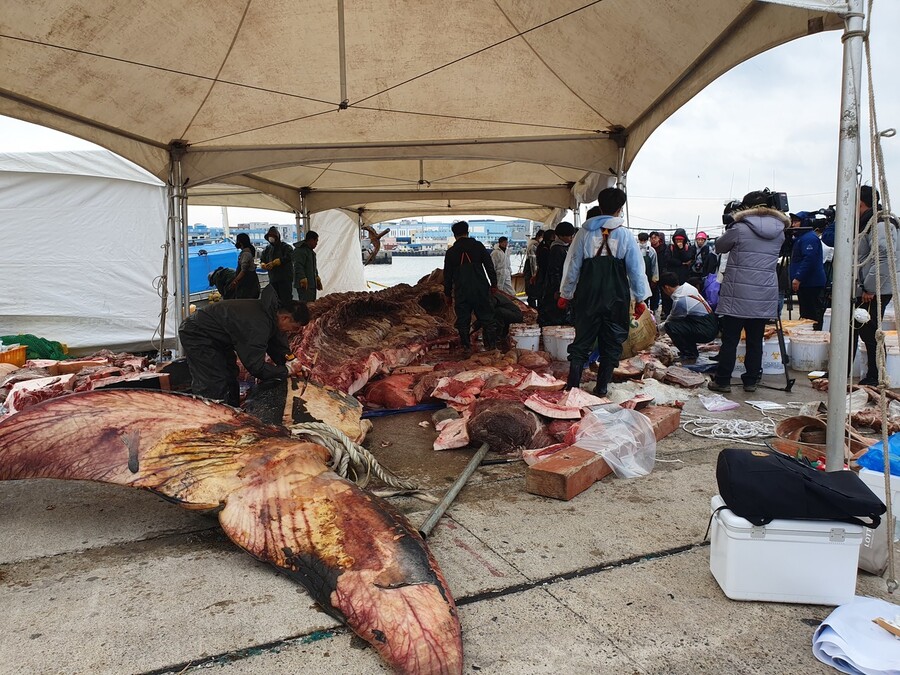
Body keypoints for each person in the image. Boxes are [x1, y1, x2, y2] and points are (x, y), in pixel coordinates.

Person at [558, 188, 650, 395]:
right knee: (612, 340)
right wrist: (640, 298)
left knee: (582, 339)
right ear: (620, 209)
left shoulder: (583, 233)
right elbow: (636, 270)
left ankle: (572, 387)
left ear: (600, 206)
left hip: (588, 295)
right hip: (616, 296)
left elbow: (572, 265)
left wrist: (566, 293)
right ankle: (601, 389)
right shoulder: (626, 235)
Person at [178, 285, 310, 407]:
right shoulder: (257, 324)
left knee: (230, 373)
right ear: (285, 318)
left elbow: (276, 343)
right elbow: (256, 367)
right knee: (214, 380)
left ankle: (233, 412)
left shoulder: (271, 315)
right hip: (197, 333)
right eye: (294, 328)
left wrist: (291, 360)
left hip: (217, 337)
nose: (291, 332)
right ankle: (211, 419)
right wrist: (286, 371)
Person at [708, 189, 786, 393]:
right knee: (755, 340)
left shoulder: (739, 228)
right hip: (763, 294)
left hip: (738, 294)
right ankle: (751, 381)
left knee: (730, 340)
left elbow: (719, 246)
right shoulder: (780, 231)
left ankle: (723, 380)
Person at [823, 186, 900, 385]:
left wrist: (870, 288)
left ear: (860, 203)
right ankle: (840, 373)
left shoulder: (881, 223)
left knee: (869, 333)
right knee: (848, 331)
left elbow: (883, 257)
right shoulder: (863, 223)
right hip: (860, 288)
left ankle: (875, 376)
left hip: (872, 290)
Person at [443, 221, 498, 351]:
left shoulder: (451, 252)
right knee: (487, 318)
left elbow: (447, 276)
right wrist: (494, 284)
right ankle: (491, 347)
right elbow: (490, 267)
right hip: (481, 289)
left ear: (454, 235)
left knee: (463, 320)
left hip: (462, 291)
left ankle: (466, 347)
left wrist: (447, 294)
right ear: (468, 232)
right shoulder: (478, 246)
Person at [658, 272, 719, 363]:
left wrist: (657, 330)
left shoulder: (680, 300)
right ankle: (692, 352)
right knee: (680, 325)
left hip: (706, 328)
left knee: (670, 326)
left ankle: (689, 354)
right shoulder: (687, 288)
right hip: (710, 323)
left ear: (666, 287)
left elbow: (672, 318)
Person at [788, 212, 826, 330]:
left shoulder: (809, 238)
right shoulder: (801, 238)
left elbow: (809, 260)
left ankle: (813, 335)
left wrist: (798, 277)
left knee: (811, 315)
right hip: (806, 283)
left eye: (796, 222)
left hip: (811, 284)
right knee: (806, 313)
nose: (793, 225)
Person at [538, 221, 576, 326]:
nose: (571, 238)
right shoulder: (557, 249)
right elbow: (554, 271)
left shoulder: (566, 247)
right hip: (556, 288)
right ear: (561, 236)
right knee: (554, 315)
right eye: (569, 236)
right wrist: (558, 289)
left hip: (564, 285)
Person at [260, 225, 295, 307]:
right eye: (269, 236)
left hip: (285, 279)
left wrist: (279, 261)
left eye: (272, 236)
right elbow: (263, 259)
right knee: (275, 300)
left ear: (277, 236)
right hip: (273, 279)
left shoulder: (285, 247)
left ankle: (287, 316)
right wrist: (263, 264)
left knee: (286, 300)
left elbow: (290, 256)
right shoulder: (267, 249)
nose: (271, 238)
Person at [294, 230, 322, 303]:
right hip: (305, 285)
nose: (316, 243)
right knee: (306, 305)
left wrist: (317, 277)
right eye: (316, 241)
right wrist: (302, 278)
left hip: (311, 284)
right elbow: (298, 265)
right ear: (311, 240)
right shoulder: (300, 251)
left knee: (312, 304)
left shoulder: (310, 252)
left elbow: (313, 267)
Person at [230, 232, 261, 299]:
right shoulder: (245, 252)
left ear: (240, 242)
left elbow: (243, 270)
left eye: (237, 241)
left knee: (246, 301)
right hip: (248, 282)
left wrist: (235, 281)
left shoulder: (246, 254)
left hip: (247, 283)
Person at [524, 230, 544, 308]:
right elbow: (533, 262)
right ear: (539, 236)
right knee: (532, 291)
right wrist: (534, 274)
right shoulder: (533, 246)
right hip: (531, 271)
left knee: (534, 291)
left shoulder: (536, 245)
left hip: (532, 271)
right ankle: (533, 309)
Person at [648, 231, 668, 313]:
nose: (653, 240)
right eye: (652, 238)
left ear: (658, 238)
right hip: (652, 274)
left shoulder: (664, 248)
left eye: (655, 238)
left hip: (662, 272)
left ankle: (664, 310)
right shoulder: (648, 249)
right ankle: (652, 309)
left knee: (664, 293)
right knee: (653, 292)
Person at [638, 232, 659, 304]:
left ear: (647, 240)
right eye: (641, 240)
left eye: (644, 241)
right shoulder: (635, 249)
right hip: (637, 276)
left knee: (647, 296)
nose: (642, 242)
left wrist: (654, 279)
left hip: (648, 277)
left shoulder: (651, 251)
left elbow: (654, 265)